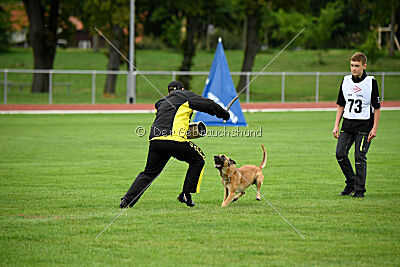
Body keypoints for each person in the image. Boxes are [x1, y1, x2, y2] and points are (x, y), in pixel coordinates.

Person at [120, 81, 230, 208]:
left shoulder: (161, 102)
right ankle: (186, 194)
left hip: (155, 140)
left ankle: (127, 201)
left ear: (169, 92)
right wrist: (224, 114)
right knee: (198, 160)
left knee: (149, 173)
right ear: (182, 89)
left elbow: (169, 119)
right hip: (174, 139)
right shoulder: (185, 96)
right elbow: (208, 104)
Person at [332, 52, 381, 198]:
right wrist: (336, 125)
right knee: (340, 154)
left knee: (359, 156)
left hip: (364, 126)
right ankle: (351, 182)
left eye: (357, 66)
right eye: (352, 65)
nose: (353, 69)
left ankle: (359, 190)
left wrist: (375, 128)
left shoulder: (371, 82)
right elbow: (341, 104)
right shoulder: (346, 81)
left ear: (364, 66)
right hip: (347, 124)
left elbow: (377, 107)